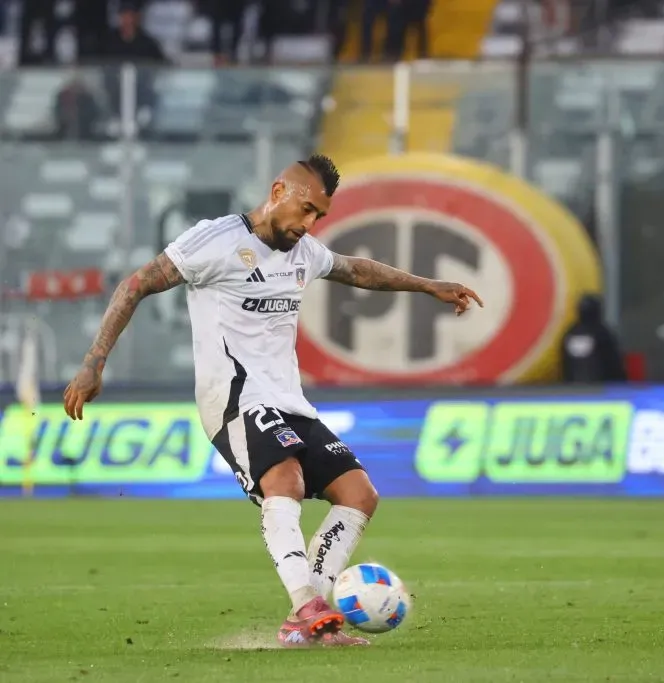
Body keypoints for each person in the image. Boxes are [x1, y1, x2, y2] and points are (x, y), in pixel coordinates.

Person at [62, 154, 483, 648]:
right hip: (234, 396)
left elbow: (357, 270)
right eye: (305, 210)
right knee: (285, 479)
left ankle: (306, 616)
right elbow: (134, 285)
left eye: (318, 217)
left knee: (359, 494)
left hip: (289, 399)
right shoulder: (215, 240)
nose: (308, 225)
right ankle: (308, 604)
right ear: (278, 190)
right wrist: (94, 361)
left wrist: (427, 285)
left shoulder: (303, 252)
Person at [560, 294, 627, 383]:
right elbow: (613, 364)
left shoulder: (571, 334)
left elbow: (566, 365)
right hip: (601, 390)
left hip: (574, 390)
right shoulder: (602, 334)